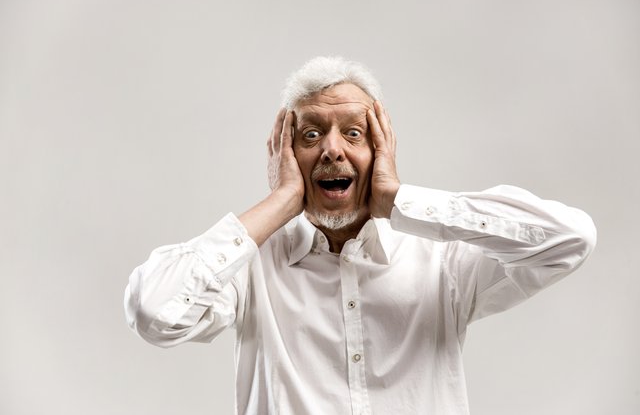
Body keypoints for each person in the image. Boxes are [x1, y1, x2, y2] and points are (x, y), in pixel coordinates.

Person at [124, 56, 597, 414]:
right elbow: (154, 311)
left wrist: (400, 202)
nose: (332, 149)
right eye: (311, 136)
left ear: (381, 149)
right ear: (285, 154)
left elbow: (570, 238)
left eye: (353, 133)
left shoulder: (441, 261)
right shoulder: (249, 267)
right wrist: (280, 202)